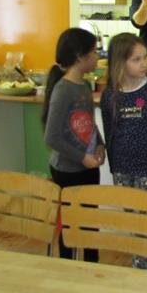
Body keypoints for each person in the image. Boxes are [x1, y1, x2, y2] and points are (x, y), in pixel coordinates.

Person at [100, 33, 147, 270]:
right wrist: (114, 171)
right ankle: (140, 270)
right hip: (123, 170)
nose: (144, 64)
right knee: (132, 224)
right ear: (120, 63)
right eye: (136, 59)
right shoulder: (110, 94)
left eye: (144, 58)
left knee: (146, 226)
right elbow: (110, 134)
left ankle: (144, 273)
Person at [42, 27, 105, 262]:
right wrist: (82, 157)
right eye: (94, 52)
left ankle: (92, 268)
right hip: (67, 170)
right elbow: (51, 137)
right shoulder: (63, 90)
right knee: (70, 226)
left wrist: (100, 145)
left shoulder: (85, 86)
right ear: (80, 57)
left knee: (90, 224)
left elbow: (88, 123)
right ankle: (67, 270)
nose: (97, 57)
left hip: (87, 167)